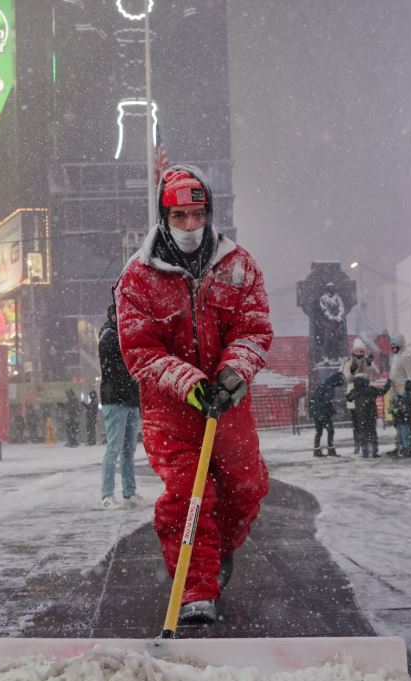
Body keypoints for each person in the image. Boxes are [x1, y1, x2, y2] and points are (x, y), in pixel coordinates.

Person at [116, 164, 273, 625]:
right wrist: (188, 384)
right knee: (190, 494)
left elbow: (254, 327)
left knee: (245, 489)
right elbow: (139, 348)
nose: (189, 225)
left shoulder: (239, 265)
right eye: (179, 216)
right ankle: (195, 587)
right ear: (164, 217)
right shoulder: (137, 278)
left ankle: (217, 551)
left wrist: (233, 371)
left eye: (197, 215)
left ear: (209, 213)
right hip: (171, 410)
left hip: (228, 404)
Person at [99, 303, 142, 509]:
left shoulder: (125, 335)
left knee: (128, 449)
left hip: (131, 399)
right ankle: (107, 495)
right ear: (112, 316)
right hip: (115, 399)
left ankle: (129, 492)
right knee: (114, 448)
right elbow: (124, 354)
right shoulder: (108, 336)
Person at [348, 376, 390, 459]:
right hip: (371, 415)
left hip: (361, 416)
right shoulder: (371, 389)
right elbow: (382, 391)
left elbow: (348, 398)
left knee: (363, 434)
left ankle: (365, 452)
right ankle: (374, 452)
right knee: (372, 432)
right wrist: (388, 383)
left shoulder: (355, 391)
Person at [309, 371, 345, 457]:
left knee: (319, 431)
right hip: (322, 413)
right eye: (338, 384)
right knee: (330, 430)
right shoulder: (329, 388)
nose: (338, 387)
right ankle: (331, 450)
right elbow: (325, 402)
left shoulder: (323, 386)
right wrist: (331, 410)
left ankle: (316, 451)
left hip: (315, 412)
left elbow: (314, 399)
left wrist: (312, 412)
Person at [386, 333, 411, 425]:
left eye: (395, 345)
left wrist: (407, 393)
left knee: (406, 423)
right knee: (398, 422)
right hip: (396, 394)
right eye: (391, 345)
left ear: (401, 345)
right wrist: (387, 385)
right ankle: (400, 439)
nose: (393, 348)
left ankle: (406, 439)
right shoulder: (395, 358)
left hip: (404, 395)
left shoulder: (405, 357)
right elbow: (393, 376)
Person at [389, 379, 411, 458]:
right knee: (402, 435)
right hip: (403, 419)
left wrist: (395, 410)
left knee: (403, 436)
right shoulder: (407, 396)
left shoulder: (406, 397)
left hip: (403, 419)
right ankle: (403, 449)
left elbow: (403, 409)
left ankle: (404, 449)